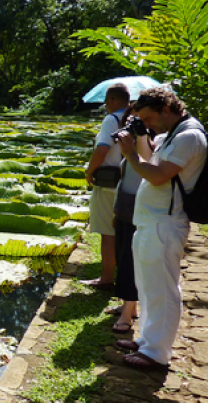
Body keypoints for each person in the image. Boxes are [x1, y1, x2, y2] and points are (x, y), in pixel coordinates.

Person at [114, 87, 207, 370]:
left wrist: (130, 154)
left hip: (165, 224)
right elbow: (153, 158)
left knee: (163, 290)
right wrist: (140, 137)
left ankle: (157, 353)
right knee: (147, 286)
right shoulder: (174, 133)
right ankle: (146, 341)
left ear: (166, 110)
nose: (149, 124)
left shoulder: (190, 135)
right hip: (150, 222)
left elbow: (157, 176)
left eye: (149, 118)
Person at [82, 84, 131, 289]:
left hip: (109, 182)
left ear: (111, 100)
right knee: (126, 230)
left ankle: (106, 278)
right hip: (130, 181)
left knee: (108, 232)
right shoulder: (135, 118)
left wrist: (89, 171)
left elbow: (102, 148)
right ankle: (126, 276)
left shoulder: (111, 119)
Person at [108, 106, 150, 334]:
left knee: (130, 261)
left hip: (139, 208)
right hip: (125, 208)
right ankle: (129, 306)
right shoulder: (129, 148)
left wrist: (140, 139)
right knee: (123, 257)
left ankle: (127, 314)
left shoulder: (150, 143)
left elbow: (147, 166)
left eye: (138, 120)